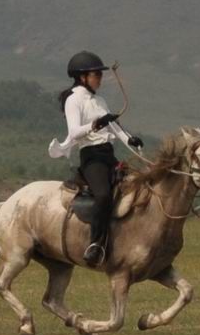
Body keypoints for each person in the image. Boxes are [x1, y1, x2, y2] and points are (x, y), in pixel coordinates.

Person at [48, 51, 144, 267]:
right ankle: (96, 244)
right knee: (102, 196)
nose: (99, 78)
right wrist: (96, 124)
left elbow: (115, 127)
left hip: (109, 155)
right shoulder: (73, 100)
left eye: (99, 75)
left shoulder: (99, 99)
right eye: (96, 75)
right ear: (82, 77)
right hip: (92, 157)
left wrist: (131, 141)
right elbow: (73, 132)